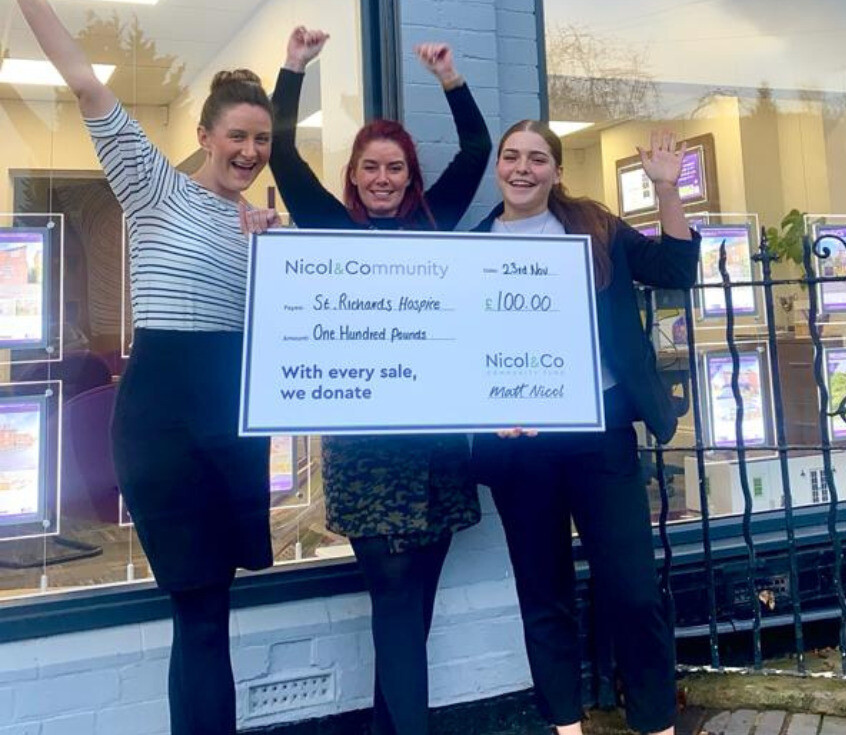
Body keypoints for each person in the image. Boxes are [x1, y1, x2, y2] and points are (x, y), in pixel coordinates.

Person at [15, 2, 275, 733]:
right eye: (237, 135)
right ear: (205, 135)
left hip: (235, 427)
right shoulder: (155, 187)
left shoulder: (267, 230)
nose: (250, 150)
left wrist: (272, 260)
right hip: (163, 424)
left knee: (209, 611)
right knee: (198, 608)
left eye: (261, 138)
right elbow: (85, 84)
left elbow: (287, 344)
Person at [243, 27, 492, 735]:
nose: (381, 180)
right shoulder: (326, 226)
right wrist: (292, 69)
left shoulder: (435, 222)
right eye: (369, 168)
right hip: (367, 458)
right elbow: (284, 154)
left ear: (411, 180)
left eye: (395, 170)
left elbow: (476, 150)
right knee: (391, 598)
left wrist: (450, 78)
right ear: (351, 176)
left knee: (417, 611)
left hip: (437, 457)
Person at [471, 120, 700, 735]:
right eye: (511, 157)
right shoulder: (474, 245)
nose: (523, 168)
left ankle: (655, 722)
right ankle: (565, 725)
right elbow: (464, 351)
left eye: (537, 158)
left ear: (556, 170)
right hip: (522, 445)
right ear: (498, 166)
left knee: (631, 588)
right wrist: (490, 409)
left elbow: (676, 269)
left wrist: (667, 191)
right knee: (543, 594)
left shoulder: (594, 227)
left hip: (599, 431)